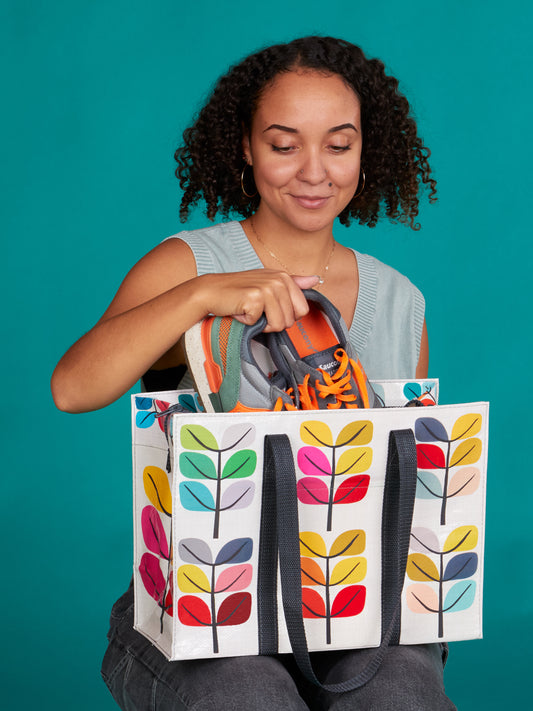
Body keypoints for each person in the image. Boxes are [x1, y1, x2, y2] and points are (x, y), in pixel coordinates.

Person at [51, 36, 455, 710]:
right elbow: (73, 388)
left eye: (337, 143)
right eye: (282, 142)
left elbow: (394, 491)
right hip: (202, 608)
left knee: (400, 688)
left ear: (364, 151)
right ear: (244, 145)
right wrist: (202, 296)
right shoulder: (185, 264)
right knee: (247, 691)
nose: (313, 171)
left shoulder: (401, 301)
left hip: (355, 608)